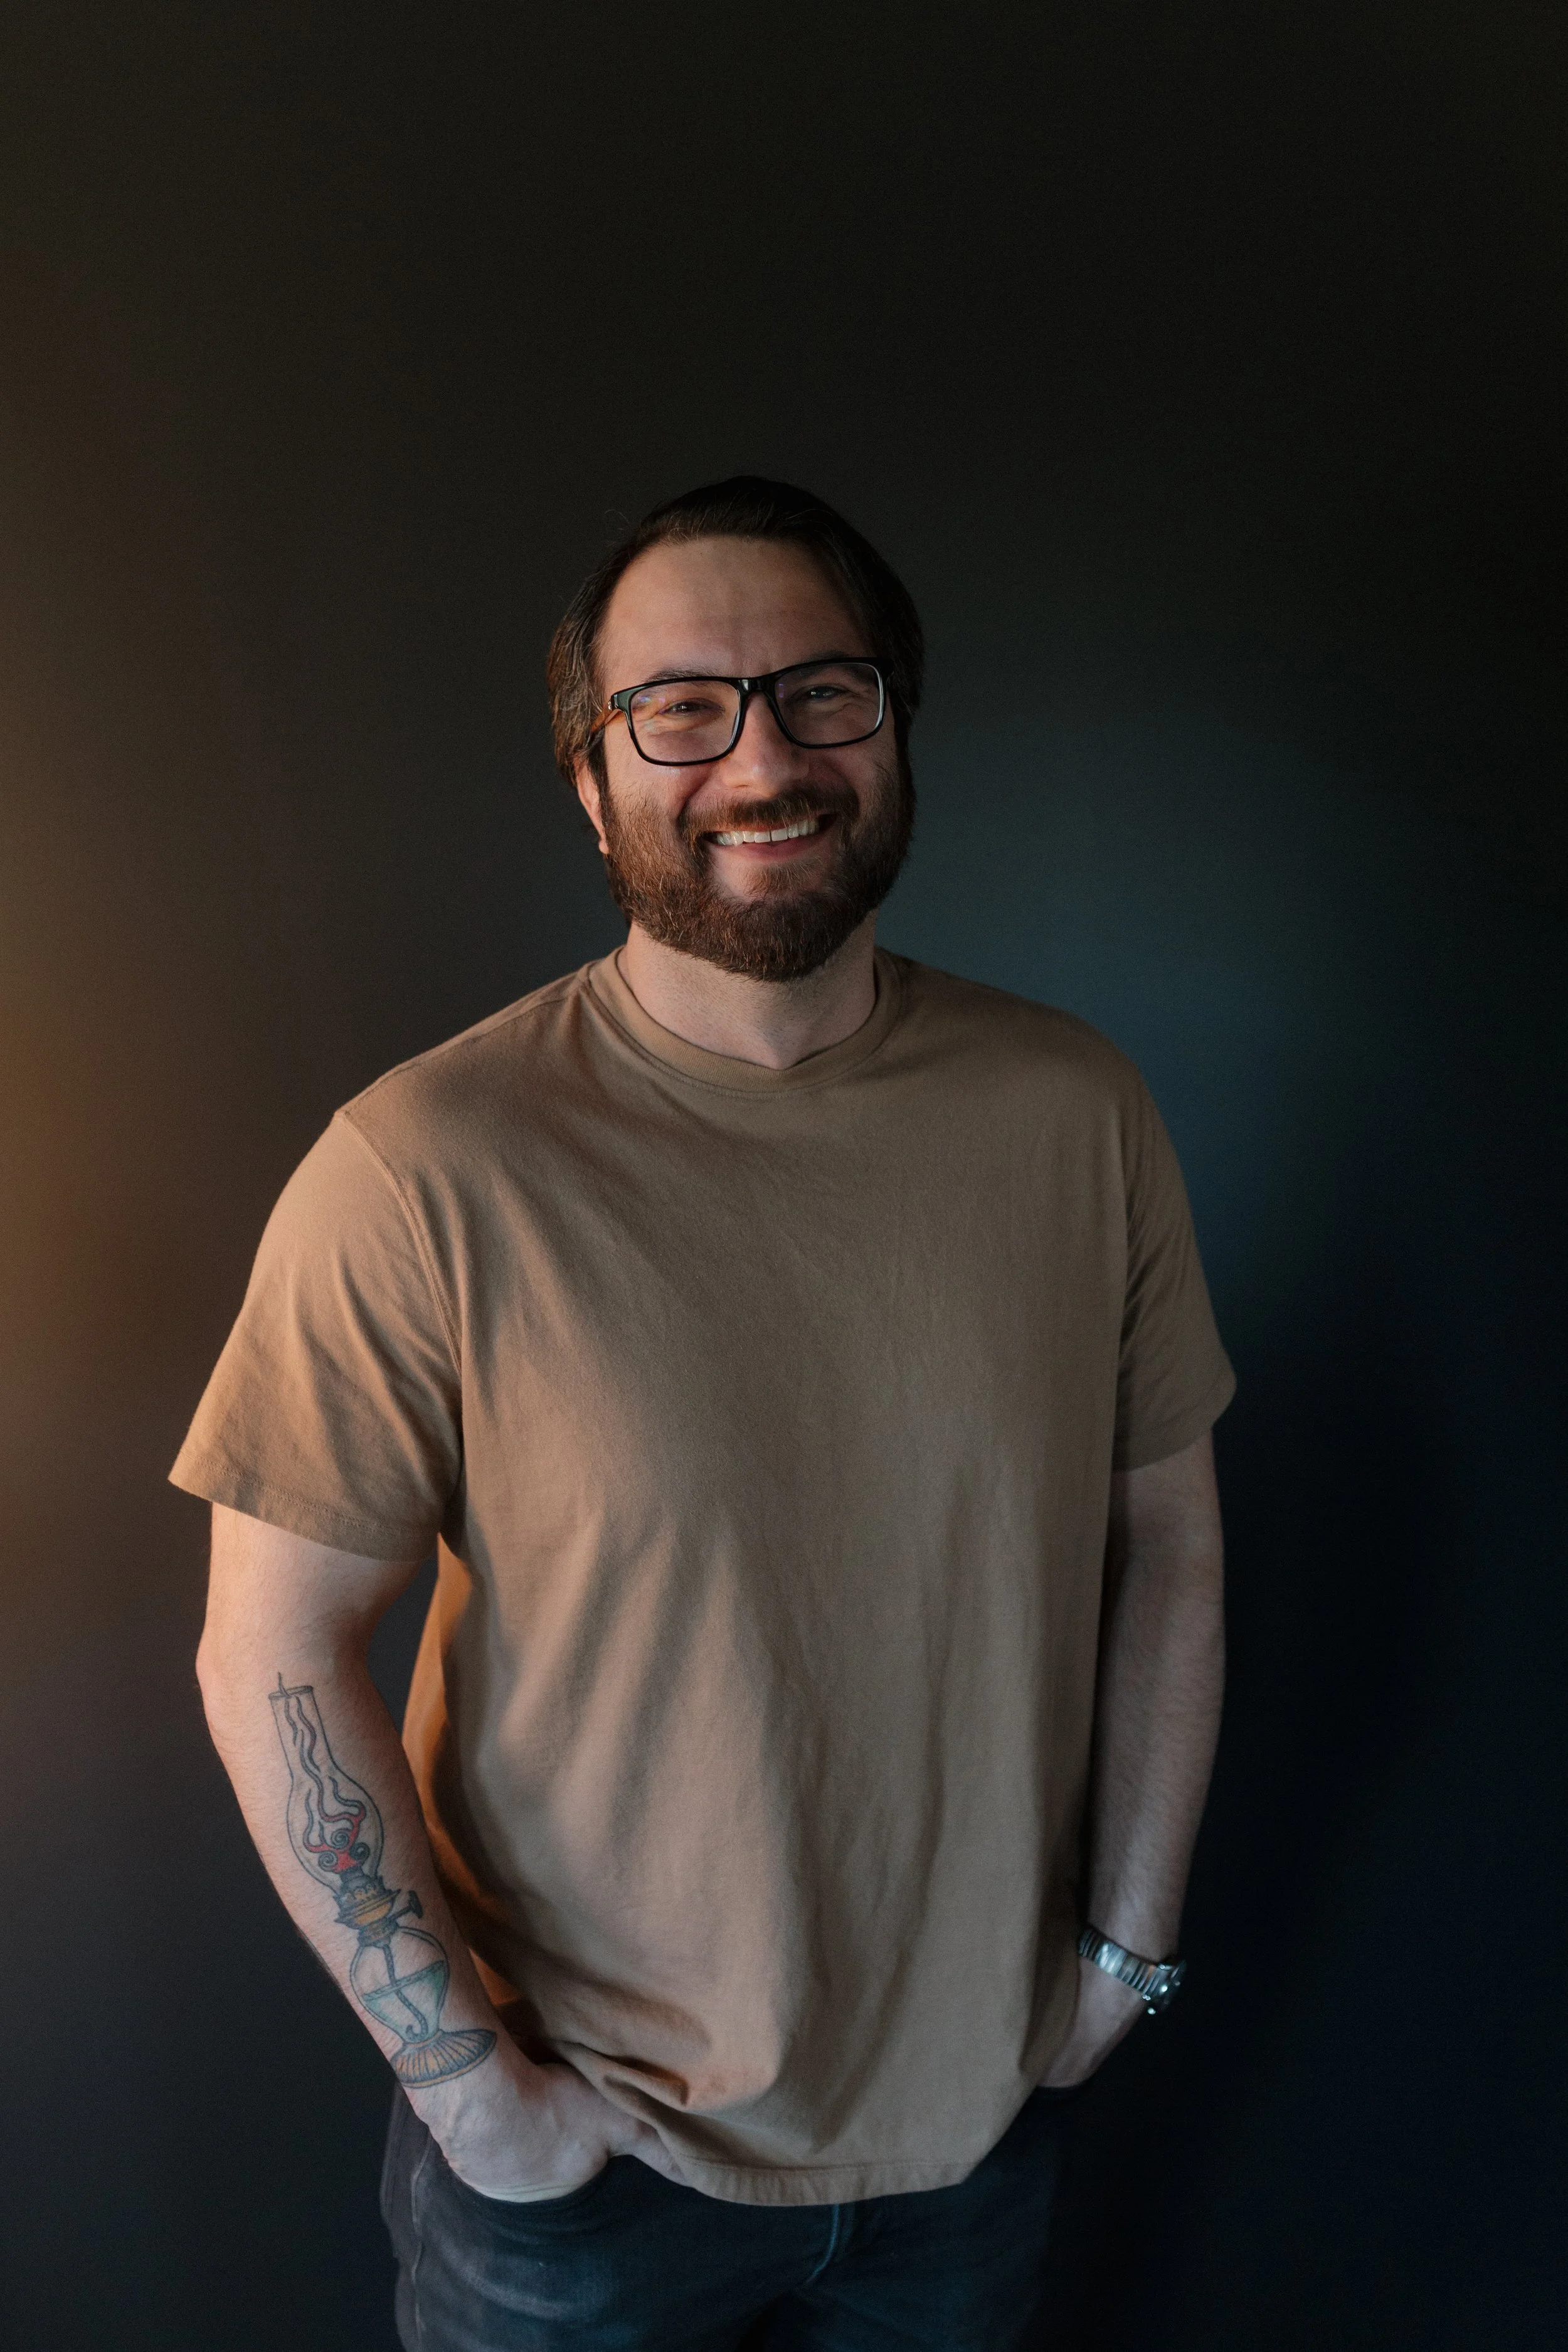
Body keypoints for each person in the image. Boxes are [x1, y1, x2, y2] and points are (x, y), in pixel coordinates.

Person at [179, 475, 1233, 2351]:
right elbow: (271, 1648)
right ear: (593, 781)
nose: (762, 759)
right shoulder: (422, 1166)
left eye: (823, 691)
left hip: (972, 2150)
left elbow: (1167, 1545)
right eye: (681, 708)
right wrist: (473, 2094)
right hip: (583, 2187)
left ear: (893, 729)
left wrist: (1124, 1957)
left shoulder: (1077, 1114)